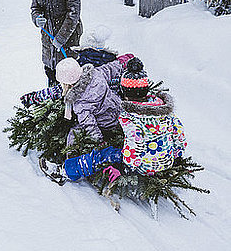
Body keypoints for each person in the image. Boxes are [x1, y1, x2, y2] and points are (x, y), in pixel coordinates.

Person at [39, 57, 187, 185]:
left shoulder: (128, 120)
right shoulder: (164, 110)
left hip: (142, 164)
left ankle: (66, 169)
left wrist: (118, 163)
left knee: (98, 152)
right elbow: (180, 137)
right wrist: (175, 157)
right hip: (168, 160)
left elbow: (91, 125)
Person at [30, 0, 82, 86]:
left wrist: (61, 38)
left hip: (68, 35)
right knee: (51, 72)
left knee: (68, 75)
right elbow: (35, 7)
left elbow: (74, 11)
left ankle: (70, 107)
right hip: (48, 37)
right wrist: (37, 18)